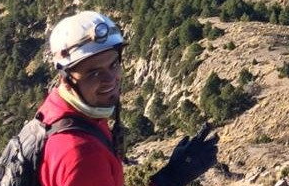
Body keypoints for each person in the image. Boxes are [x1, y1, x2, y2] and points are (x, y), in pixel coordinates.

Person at [36, 10, 218, 186]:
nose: (110, 80)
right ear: (65, 79)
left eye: (113, 65)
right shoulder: (82, 155)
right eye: (93, 73)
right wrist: (170, 178)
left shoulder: (63, 111)